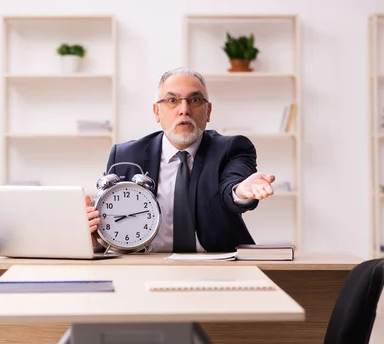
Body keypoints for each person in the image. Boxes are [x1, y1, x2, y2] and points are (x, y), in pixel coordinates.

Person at [86, 67, 275, 253]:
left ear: (208, 111)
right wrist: (93, 234)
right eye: (172, 100)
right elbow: (110, 230)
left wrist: (240, 191)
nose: (184, 110)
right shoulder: (125, 155)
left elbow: (232, 186)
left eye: (194, 100)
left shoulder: (233, 148)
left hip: (217, 263)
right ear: (157, 112)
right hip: (146, 263)